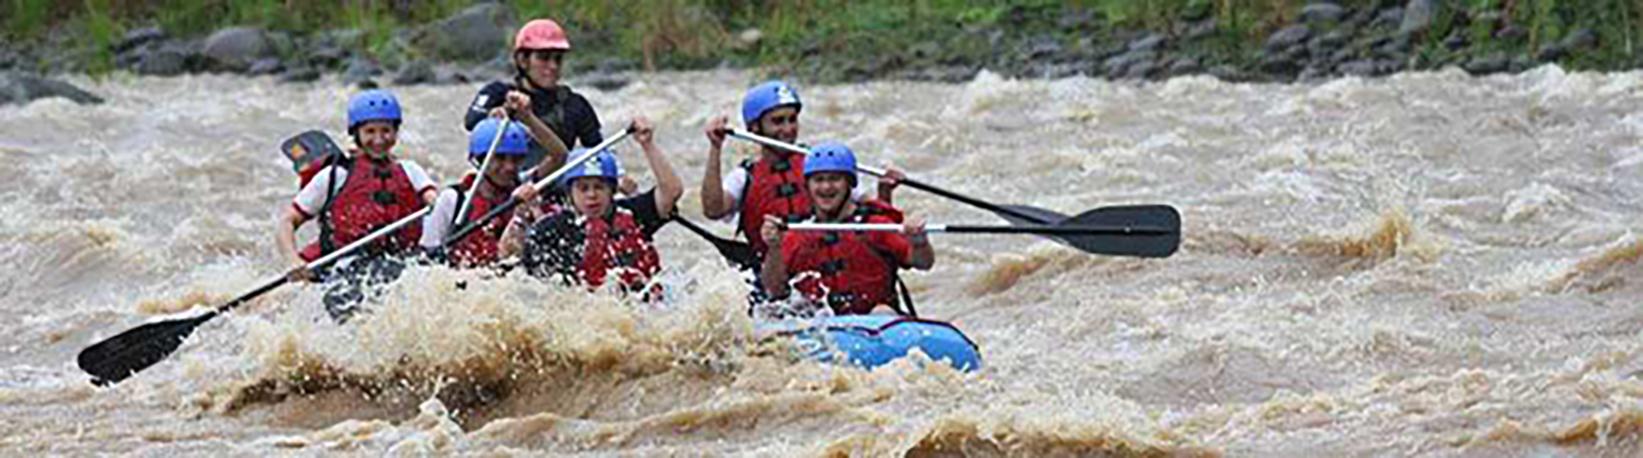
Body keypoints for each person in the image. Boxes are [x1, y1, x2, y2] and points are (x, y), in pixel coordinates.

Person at [274, 89, 438, 321]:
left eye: (386, 131)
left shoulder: (410, 170)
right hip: (344, 269)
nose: (379, 139)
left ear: (395, 133)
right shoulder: (335, 175)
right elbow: (287, 222)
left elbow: (435, 202)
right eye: (370, 131)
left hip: (400, 264)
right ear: (356, 134)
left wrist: (433, 203)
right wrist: (293, 260)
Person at [700, 80, 902, 259]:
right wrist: (715, 148)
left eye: (792, 119)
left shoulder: (823, 166)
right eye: (778, 121)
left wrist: (885, 191)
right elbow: (713, 210)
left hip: (822, 272)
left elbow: (878, 223)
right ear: (755, 128)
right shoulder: (743, 177)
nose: (788, 129)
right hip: (773, 277)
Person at [499, 117, 682, 299]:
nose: (591, 195)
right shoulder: (552, 229)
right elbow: (508, 261)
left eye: (599, 187)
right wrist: (520, 215)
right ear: (570, 192)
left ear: (612, 190)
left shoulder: (634, 213)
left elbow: (672, 191)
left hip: (640, 305)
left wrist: (647, 145)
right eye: (583, 188)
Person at [759, 142, 933, 316]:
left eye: (834, 179)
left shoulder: (875, 225)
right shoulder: (797, 235)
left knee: (882, 311)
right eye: (818, 180)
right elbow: (773, 290)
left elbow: (923, 263)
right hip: (824, 327)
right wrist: (774, 248)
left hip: (875, 325)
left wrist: (919, 242)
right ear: (808, 186)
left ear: (850, 183)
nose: (826, 187)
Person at [464, 18, 601, 181]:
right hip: (505, 187)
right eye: (544, 58)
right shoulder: (497, 93)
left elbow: (597, 152)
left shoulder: (575, 105)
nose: (553, 66)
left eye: (558, 59)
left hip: (553, 187)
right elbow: (471, 121)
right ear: (522, 60)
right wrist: (492, 116)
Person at [419, 118, 544, 268]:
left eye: (516, 159)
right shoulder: (453, 199)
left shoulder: (526, 197)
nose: (509, 167)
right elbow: (427, 254)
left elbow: (559, 155)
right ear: (479, 159)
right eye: (499, 158)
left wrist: (527, 116)